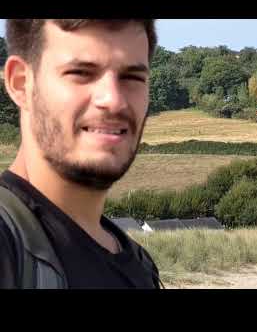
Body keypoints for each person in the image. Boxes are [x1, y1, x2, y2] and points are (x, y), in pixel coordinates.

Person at [0, 19, 163, 289]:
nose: (113, 99)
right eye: (81, 73)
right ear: (21, 84)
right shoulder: (8, 248)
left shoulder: (140, 266)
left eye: (132, 77)